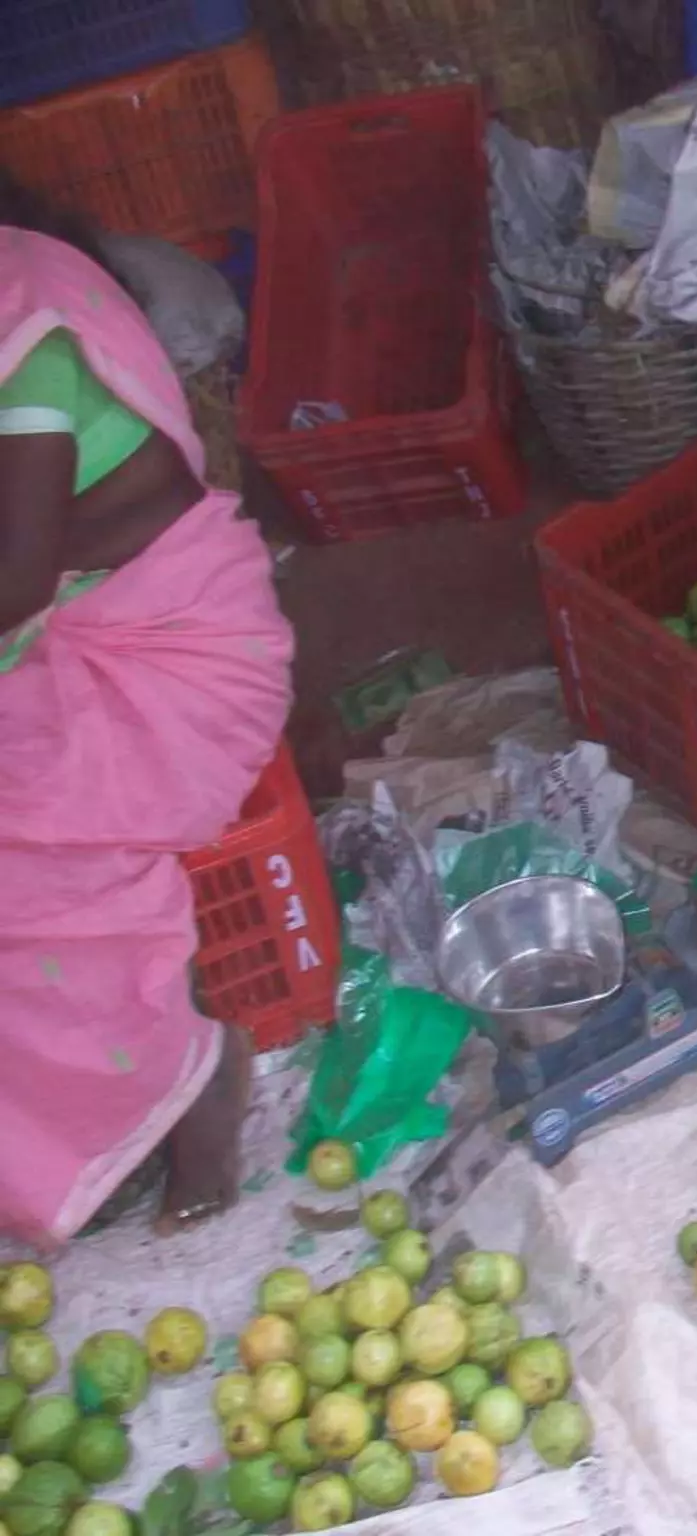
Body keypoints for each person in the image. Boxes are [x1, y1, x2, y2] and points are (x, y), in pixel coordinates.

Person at [0, 179, 294, 1246]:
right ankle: (84, 1111)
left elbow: (14, 578)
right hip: (73, 633)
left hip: (169, 652)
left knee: (33, 879)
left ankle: (193, 1078)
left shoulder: (25, 326)